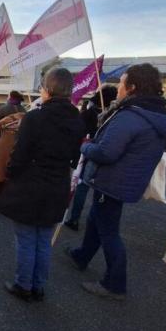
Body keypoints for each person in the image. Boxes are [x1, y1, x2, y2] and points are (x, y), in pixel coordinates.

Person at [64, 64, 166, 300]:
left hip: (112, 181)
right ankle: (82, 255)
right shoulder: (155, 115)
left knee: (109, 232)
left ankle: (115, 284)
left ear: (133, 87)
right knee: (96, 219)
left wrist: (85, 145)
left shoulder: (132, 116)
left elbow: (106, 152)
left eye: (122, 83)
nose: (119, 88)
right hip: (126, 180)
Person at [0, 68, 85, 302]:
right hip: (57, 184)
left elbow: (19, 154)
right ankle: (38, 286)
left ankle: (23, 284)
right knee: (43, 239)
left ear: (48, 89)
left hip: (30, 184)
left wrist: (11, 174)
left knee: (25, 238)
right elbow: (76, 156)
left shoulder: (36, 117)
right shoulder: (77, 119)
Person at [63, 86, 118, 231]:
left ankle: (74, 218)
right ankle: (97, 223)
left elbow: (77, 134)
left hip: (87, 154)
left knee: (82, 186)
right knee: (99, 191)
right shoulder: (116, 115)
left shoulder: (89, 114)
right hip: (106, 158)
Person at [0, 111, 25, 201]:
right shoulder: (26, 120)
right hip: (17, 149)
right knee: (8, 172)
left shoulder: (8, 118)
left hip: (4, 148)